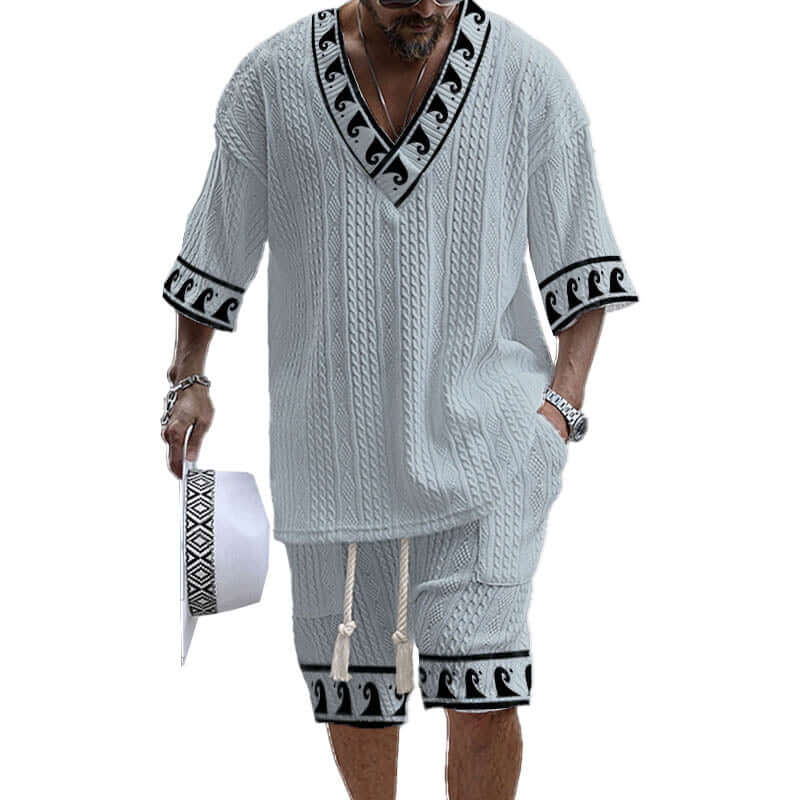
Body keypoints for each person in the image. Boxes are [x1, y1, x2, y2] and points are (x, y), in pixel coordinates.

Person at [160, 1, 638, 797]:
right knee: (354, 702)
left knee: (483, 699)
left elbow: (583, 261)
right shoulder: (271, 82)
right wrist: (188, 379)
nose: (423, 6)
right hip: (329, 458)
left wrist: (559, 415)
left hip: (489, 456)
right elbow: (217, 243)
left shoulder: (528, 78)